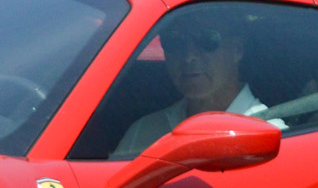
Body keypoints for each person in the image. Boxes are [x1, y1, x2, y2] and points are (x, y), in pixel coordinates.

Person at [110, 13, 283, 159]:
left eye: (206, 40)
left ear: (237, 50)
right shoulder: (144, 131)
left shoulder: (274, 137)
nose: (188, 56)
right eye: (174, 41)